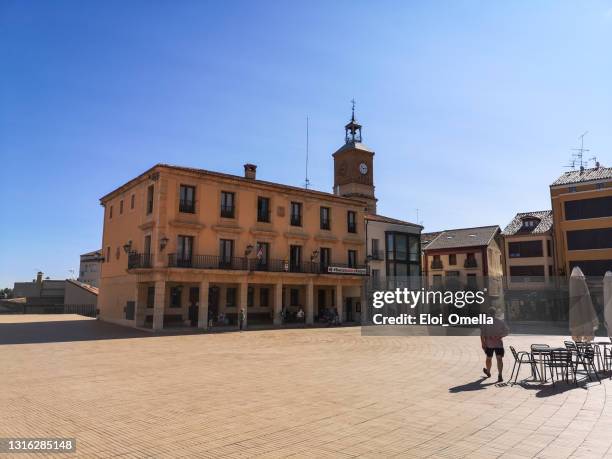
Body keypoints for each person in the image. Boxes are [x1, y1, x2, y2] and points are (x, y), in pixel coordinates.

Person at [480, 307, 509, 383]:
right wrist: (500, 336)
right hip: (498, 343)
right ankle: (500, 375)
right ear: (495, 313)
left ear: (488, 313)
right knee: (499, 359)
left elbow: (482, 334)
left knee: (489, 358)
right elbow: (507, 331)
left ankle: (488, 372)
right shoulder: (500, 321)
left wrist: (483, 343)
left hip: (489, 343)